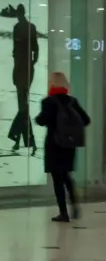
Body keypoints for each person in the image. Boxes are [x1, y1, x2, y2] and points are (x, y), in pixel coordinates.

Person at [35, 71, 90, 223]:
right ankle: (75, 204)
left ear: (51, 84)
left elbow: (42, 120)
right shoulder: (72, 101)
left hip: (54, 144)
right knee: (66, 176)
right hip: (69, 145)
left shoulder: (48, 101)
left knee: (57, 179)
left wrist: (38, 119)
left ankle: (63, 212)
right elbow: (86, 120)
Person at [8, 4, 39, 152]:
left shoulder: (16, 28)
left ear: (18, 14)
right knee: (23, 105)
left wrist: (16, 70)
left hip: (20, 69)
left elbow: (15, 52)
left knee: (23, 106)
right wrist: (31, 63)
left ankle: (18, 137)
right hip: (28, 69)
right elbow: (36, 50)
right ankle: (25, 141)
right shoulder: (31, 27)